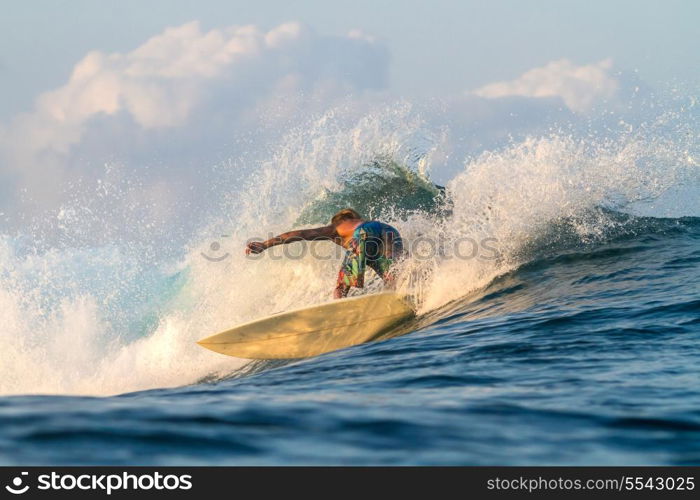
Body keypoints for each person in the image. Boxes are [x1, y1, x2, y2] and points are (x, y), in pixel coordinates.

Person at [245, 208, 403, 298]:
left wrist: (264, 245)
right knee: (392, 276)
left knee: (341, 287)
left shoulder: (337, 227)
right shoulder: (366, 223)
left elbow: (300, 234)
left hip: (364, 233)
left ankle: (340, 312)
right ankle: (396, 299)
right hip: (389, 231)